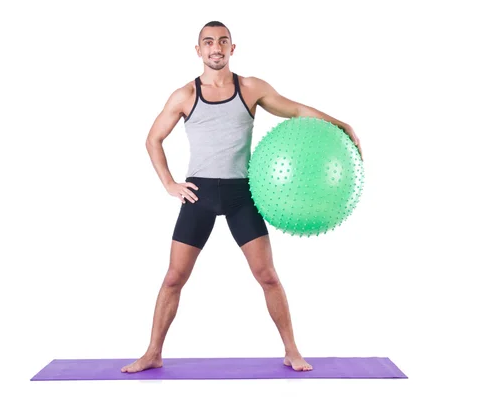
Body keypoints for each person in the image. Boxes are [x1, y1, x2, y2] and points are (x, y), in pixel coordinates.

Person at [121, 21, 362, 373]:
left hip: (241, 194)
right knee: (174, 277)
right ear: (198, 50)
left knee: (267, 275)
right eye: (208, 43)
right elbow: (152, 139)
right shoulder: (184, 95)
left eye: (222, 42)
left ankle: (291, 350)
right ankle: (153, 352)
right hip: (198, 194)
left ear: (232, 48)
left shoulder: (250, 89)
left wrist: (341, 124)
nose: (215, 48)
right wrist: (170, 184)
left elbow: (295, 110)